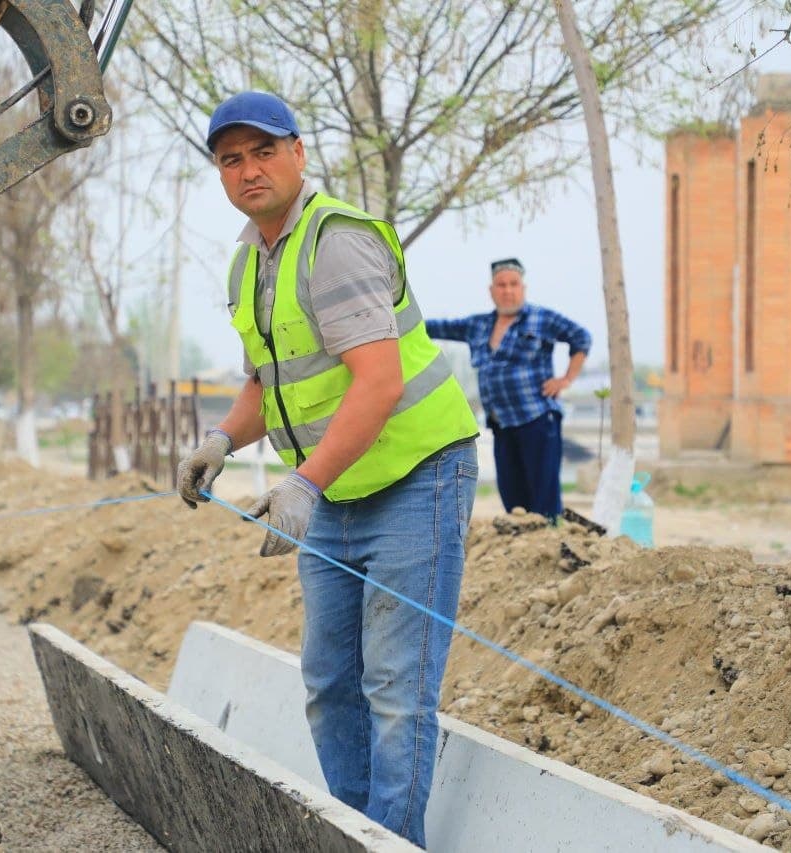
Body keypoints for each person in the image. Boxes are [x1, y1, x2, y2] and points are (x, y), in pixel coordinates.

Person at [175, 91, 478, 847]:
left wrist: (303, 484)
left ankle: (389, 842)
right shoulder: (251, 259)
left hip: (417, 476)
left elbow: (377, 381)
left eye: (264, 151)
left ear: (299, 153)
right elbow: (267, 382)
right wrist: (220, 440)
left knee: (397, 689)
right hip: (337, 487)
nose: (249, 170)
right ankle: (354, 831)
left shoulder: (333, 239)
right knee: (329, 682)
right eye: (231, 158)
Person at [426, 258, 591, 519]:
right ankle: (520, 550)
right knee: (513, 500)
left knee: (543, 502)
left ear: (523, 288)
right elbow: (434, 327)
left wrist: (566, 379)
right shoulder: (478, 325)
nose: (508, 290)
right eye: (501, 285)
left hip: (537, 419)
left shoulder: (541, 319)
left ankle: (548, 543)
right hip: (501, 423)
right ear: (492, 291)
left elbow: (581, 337)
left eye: (513, 284)